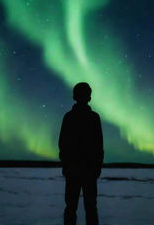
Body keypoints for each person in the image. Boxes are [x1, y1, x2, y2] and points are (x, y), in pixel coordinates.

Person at [59, 82, 104, 225]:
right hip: (87, 170)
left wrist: (66, 165)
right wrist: (97, 167)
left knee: (72, 207)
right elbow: (99, 146)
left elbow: (62, 145)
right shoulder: (93, 117)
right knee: (90, 208)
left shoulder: (69, 117)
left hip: (75, 169)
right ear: (89, 97)